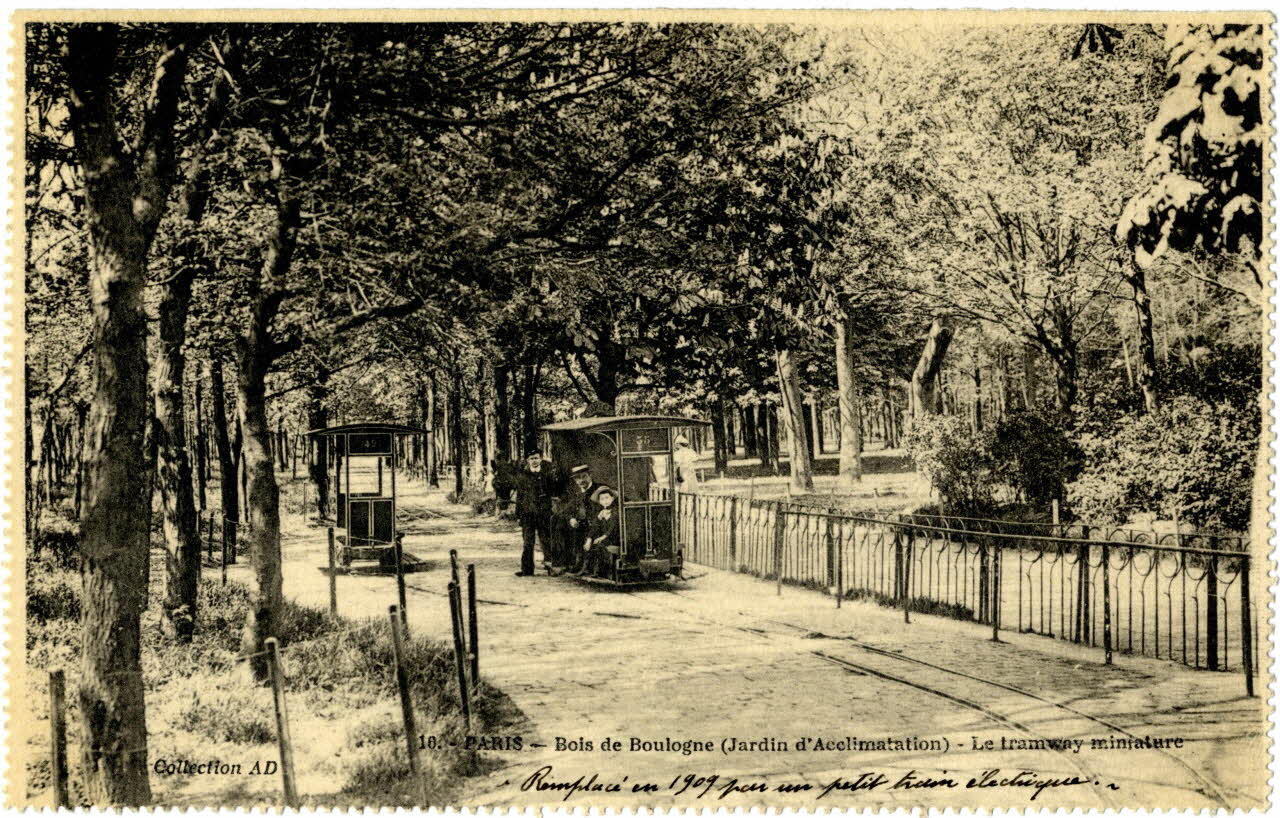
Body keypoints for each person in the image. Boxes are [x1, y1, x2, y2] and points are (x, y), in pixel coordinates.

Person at [510, 450, 556, 576]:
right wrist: (518, 515)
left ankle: (550, 568)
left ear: (541, 459)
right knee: (527, 542)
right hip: (527, 515)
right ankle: (527, 570)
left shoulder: (547, 475)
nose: (534, 461)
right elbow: (520, 497)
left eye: (536, 458)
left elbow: (552, 493)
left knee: (546, 541)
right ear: (527, 461)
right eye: (531, 458)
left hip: (543, 514)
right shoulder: (523, 476)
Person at [564, 464, 604, 574]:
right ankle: (577, 562)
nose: (581, 480)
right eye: (577, 478)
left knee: (586, 533)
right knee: (568, 528)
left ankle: (587, 566)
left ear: (590, 475)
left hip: (598, 523)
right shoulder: (576, 493)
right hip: (582, 523)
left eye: (584, 476)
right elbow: (568, 509)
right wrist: (571, 518)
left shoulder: (600, 489)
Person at [582, 486, 620, 578]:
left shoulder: (615, 512)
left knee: (600, 544)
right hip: (604, 538)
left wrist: (602, 537)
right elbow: (595, 527)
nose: (605, 501)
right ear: (599, 501)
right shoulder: (601, 513)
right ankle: (587, 569)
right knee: (589, 543)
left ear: (612, 498)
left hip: (614, 538)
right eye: (602, 499)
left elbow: (612, 528)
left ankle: (602, 572)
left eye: (607, 498)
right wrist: (589, 539)